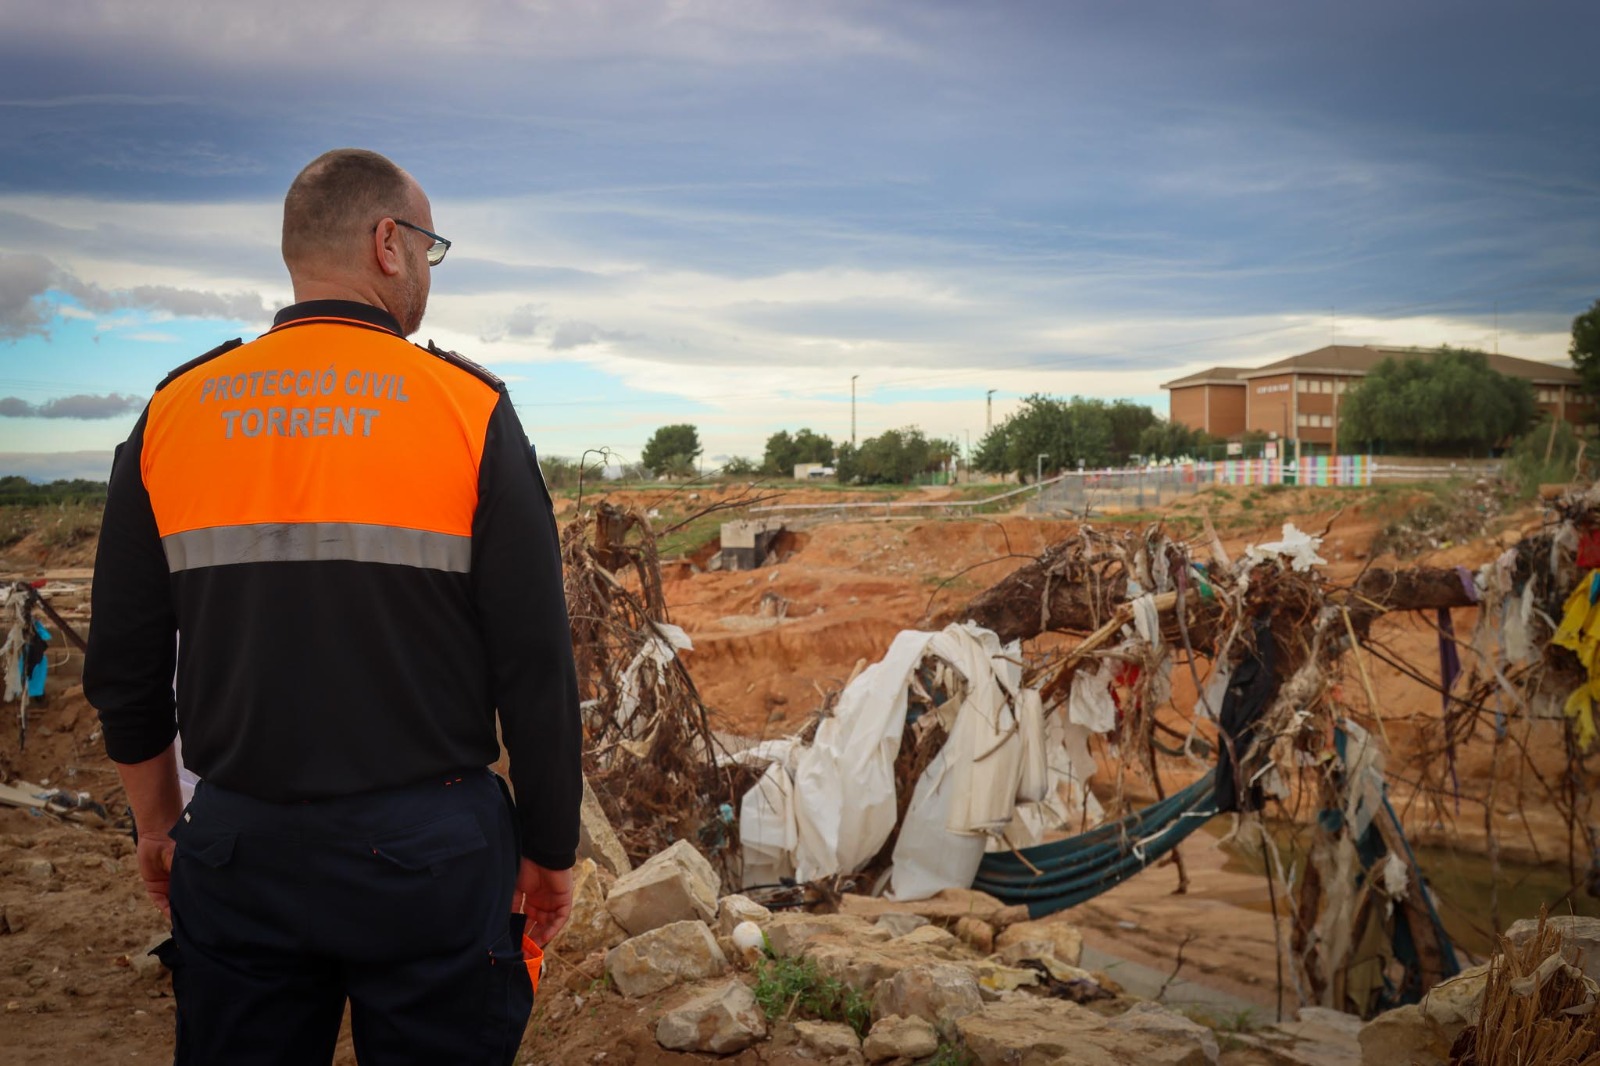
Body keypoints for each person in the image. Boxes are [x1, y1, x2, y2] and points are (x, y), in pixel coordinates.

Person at [84, 148, 581, 1065]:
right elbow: (536, 668)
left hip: (239, 848)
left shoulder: (175, 414)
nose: (429, 271)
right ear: (387, 244)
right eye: (427, 247)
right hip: (431, 852)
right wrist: (551, 845)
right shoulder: (464, 410)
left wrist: (160, 827)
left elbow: (123, 665)